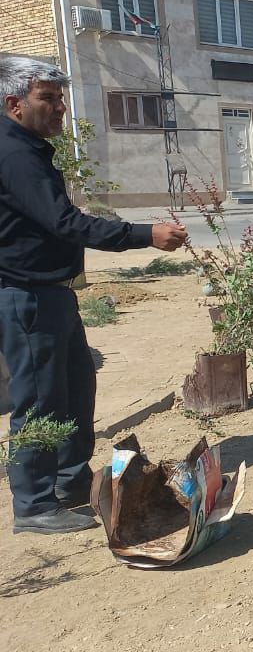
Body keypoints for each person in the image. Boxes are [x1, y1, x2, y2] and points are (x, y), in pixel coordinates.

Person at [1, 56, 187, 534]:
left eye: (61, 97)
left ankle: (68, 482)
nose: (60, 107)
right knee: (40, 399)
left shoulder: (29, 148)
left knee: (75, 387)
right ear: (14, 104)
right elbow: (64, 223)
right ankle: (35, 505)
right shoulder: (14, 154)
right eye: (49, 98)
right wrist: (146, 234)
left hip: (52, 293)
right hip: (26, 296)